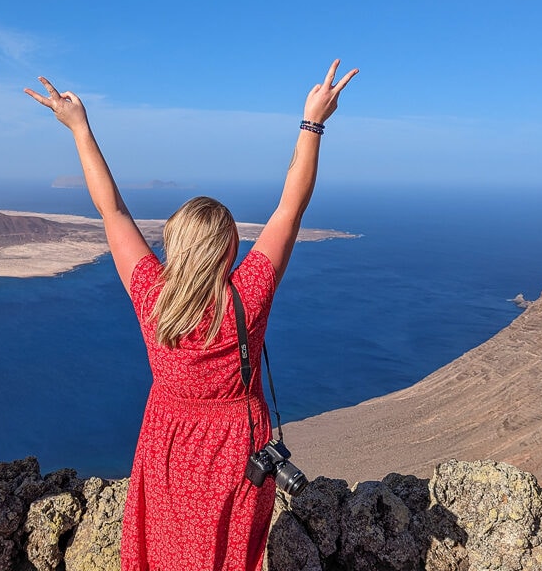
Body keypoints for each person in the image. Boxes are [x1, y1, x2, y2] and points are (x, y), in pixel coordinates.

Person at [25, 59, 358, 571]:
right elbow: (291, 207)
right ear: (228, 250)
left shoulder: (152, 295)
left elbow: (111, 210)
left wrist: (80, 129)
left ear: (175, 247)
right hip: (236, 451)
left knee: (165, 553)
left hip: (166, 443)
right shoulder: (247, 295)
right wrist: (313, 122)